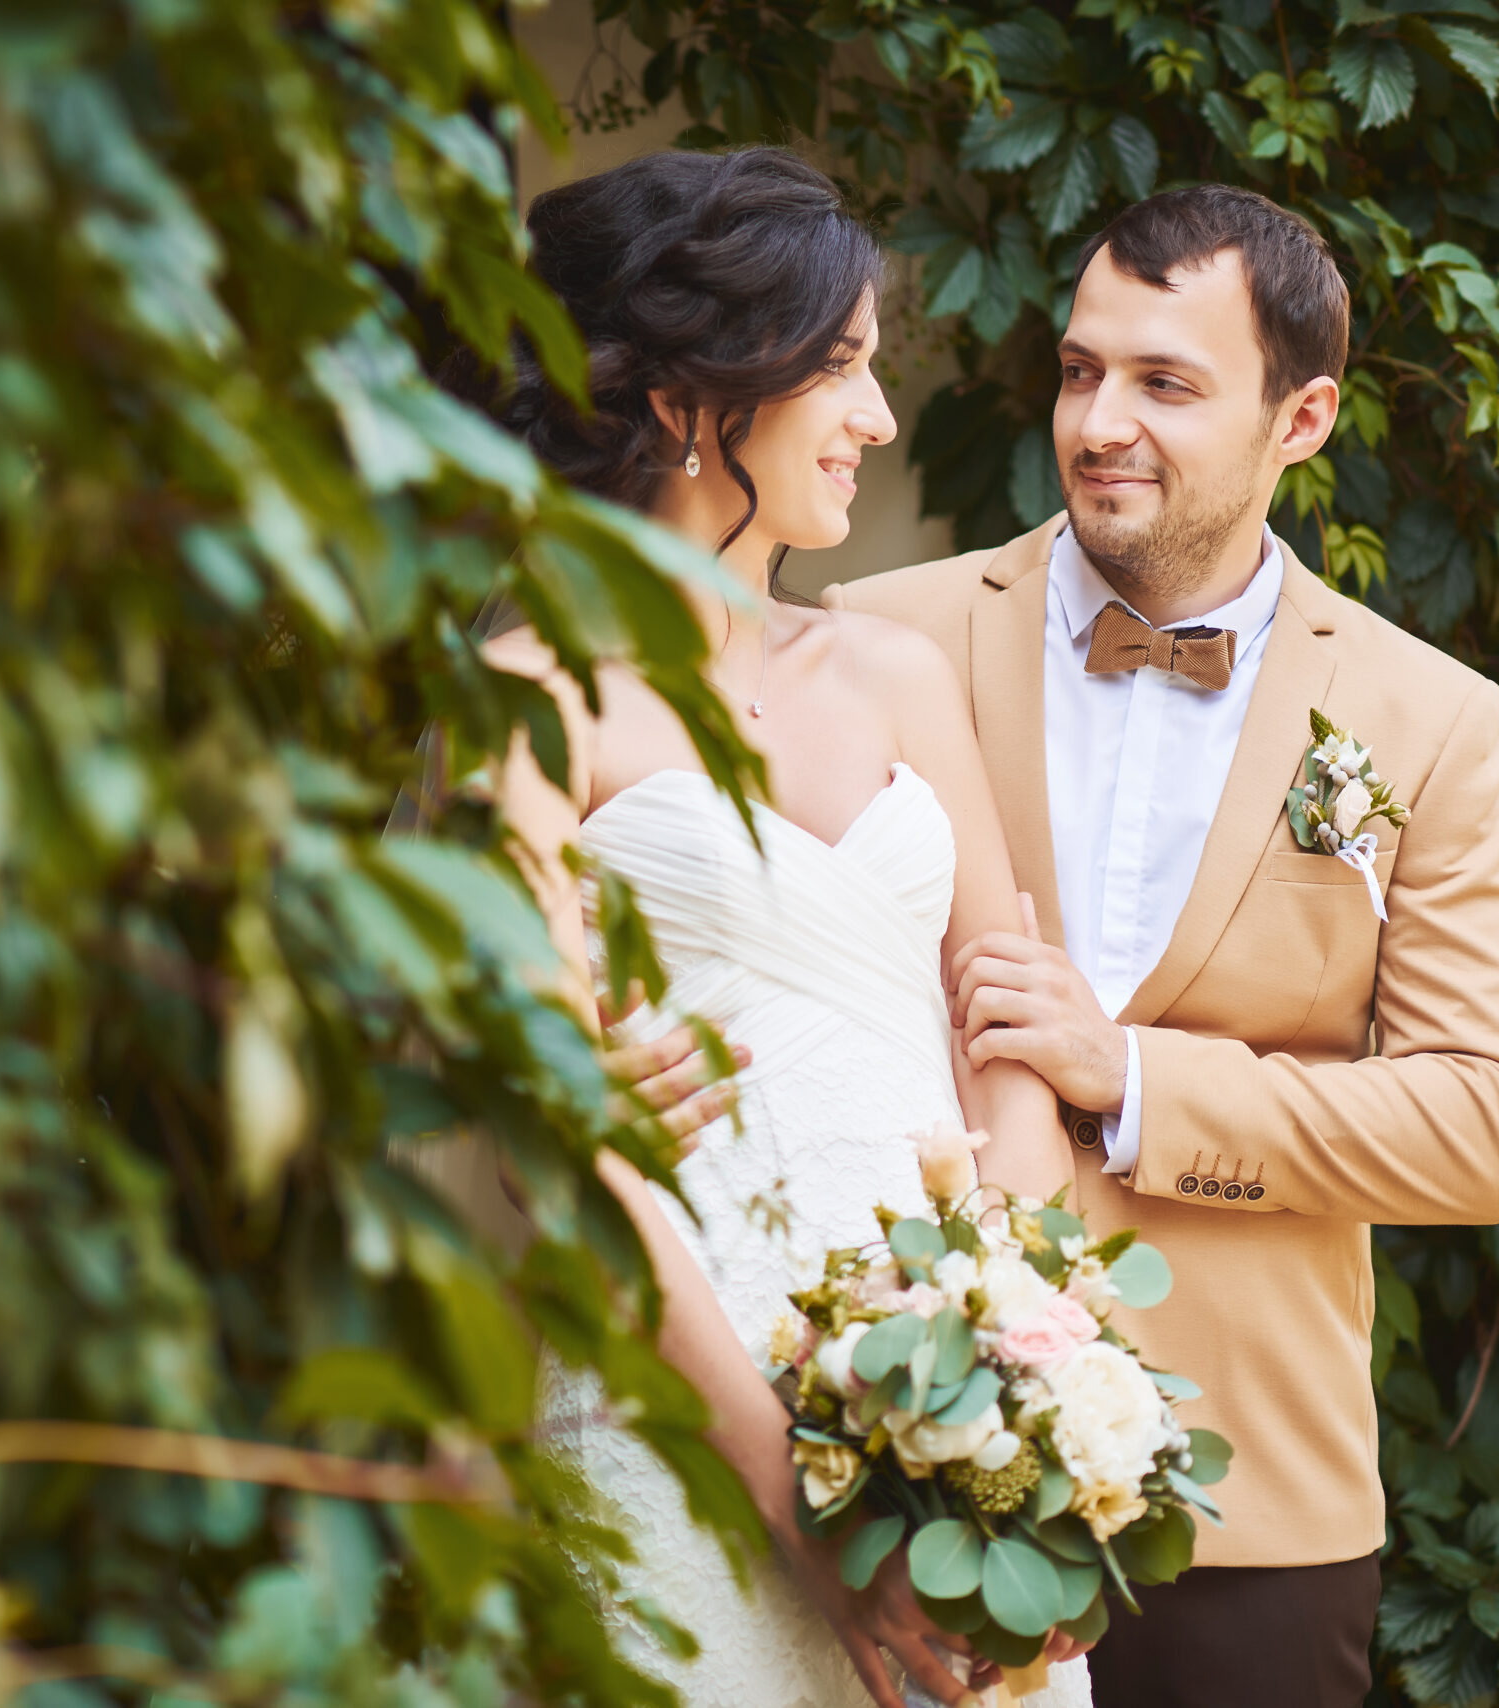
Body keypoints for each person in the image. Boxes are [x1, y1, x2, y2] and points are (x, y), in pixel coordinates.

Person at [826, 184, 1499, 1708]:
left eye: (1167, 384)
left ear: (1303, 419)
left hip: (1251, 1515)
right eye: (1085, 370)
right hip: (898, 1472)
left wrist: (1135, 1076)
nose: (1101, 423)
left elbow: (1487, 1121)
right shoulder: (869, 637)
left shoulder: (1428, 722)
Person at [474, 147, 1087, 1708]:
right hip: (674, 1410)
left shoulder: (896, 676)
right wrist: (797, 1497)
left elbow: (1002, 1034)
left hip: (943, 1410)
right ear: (691, 400)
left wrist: (1001, 1358)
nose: (880, 418)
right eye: (844, 366)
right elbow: (558, 1136)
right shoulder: (533, 700)